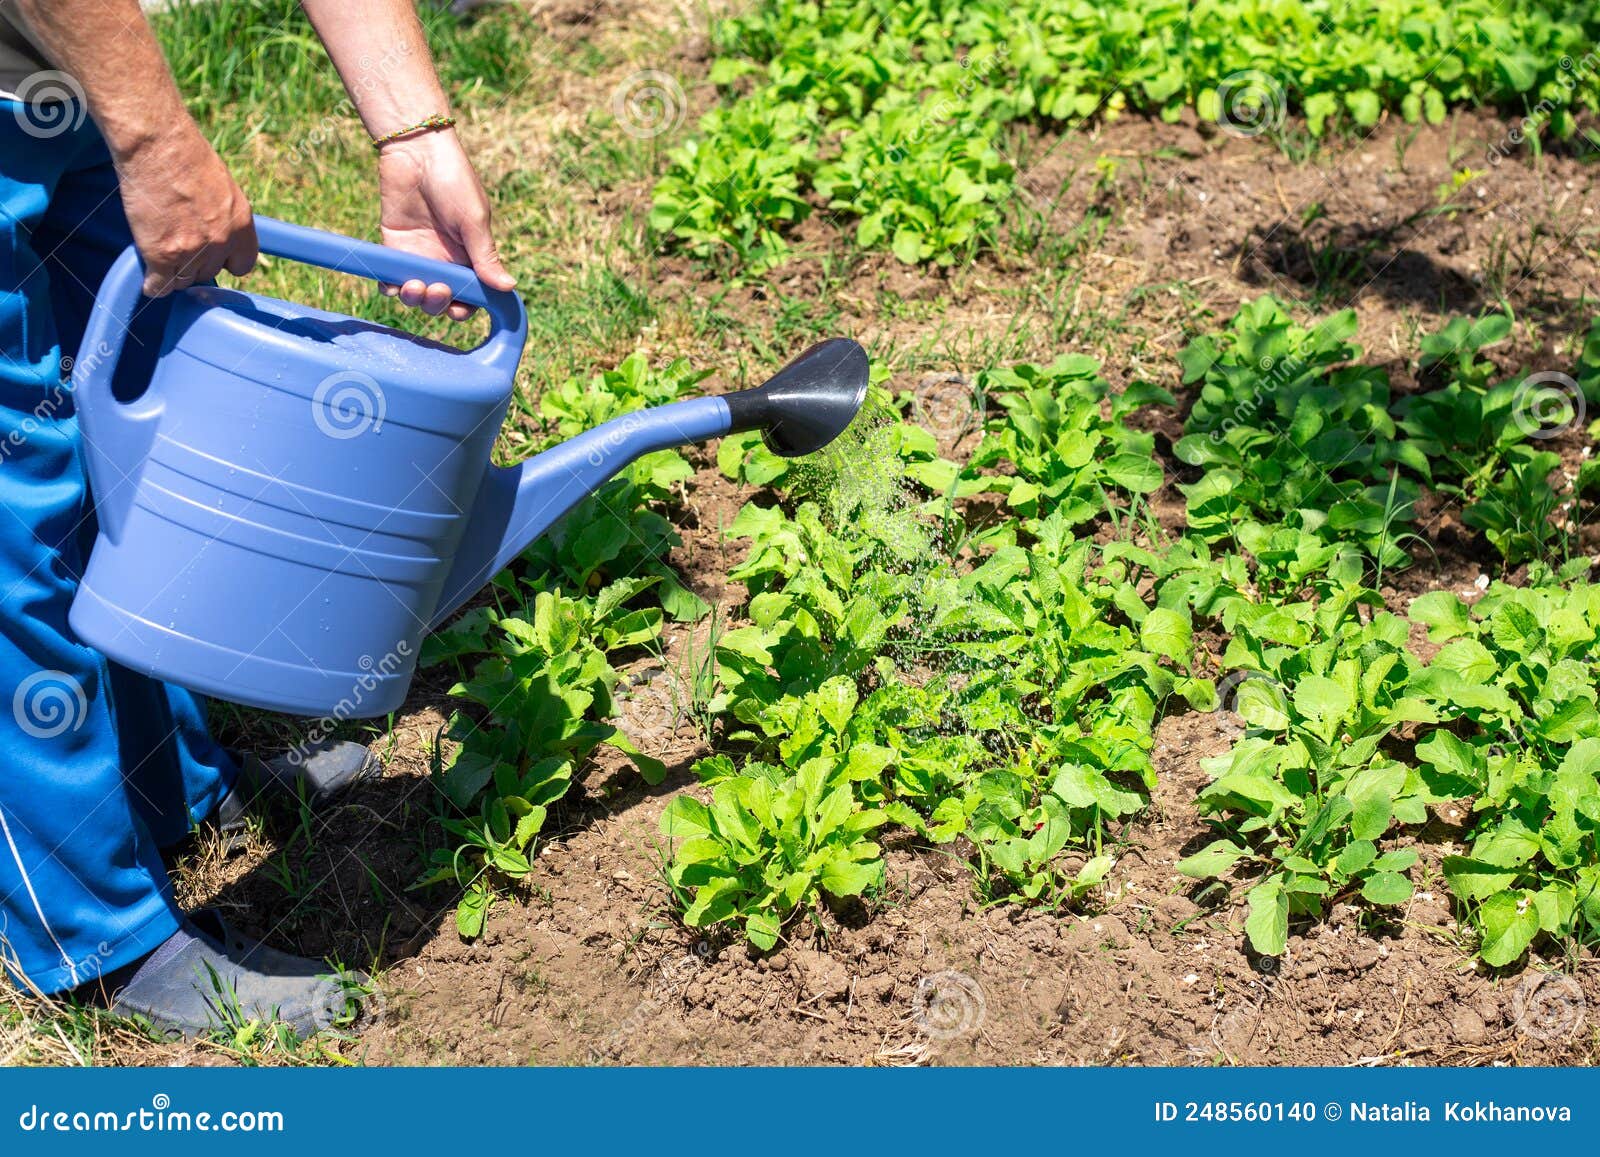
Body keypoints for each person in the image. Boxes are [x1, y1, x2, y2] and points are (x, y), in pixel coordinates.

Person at [0, 0, 514, 1036]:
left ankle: (164, 785)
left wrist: (412, 131)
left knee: (131, 397)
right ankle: (94, 932)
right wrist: (152, 135)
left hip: (43, 58)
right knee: (17, 485)